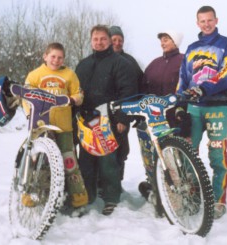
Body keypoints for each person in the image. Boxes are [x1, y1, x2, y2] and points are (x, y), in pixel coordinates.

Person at [176, 6, 227, 219]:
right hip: (194, 110)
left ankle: (217, 199)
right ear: (197, 23)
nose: (206, 24)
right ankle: (193, 196)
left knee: (217, 155)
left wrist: (204, 89)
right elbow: (184, 78)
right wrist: (179, 100)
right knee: (188, 154)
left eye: (209, 20)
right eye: (202, 21)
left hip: (217, 109)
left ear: (216, 20)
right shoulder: (192, 48)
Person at [75, 25, 137, 215]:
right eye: (96, 39)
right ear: (91, 40)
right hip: (86, 120)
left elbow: (128, 92)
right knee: (86, 160)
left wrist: (123, 119)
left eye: (103, 39)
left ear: (109, 40)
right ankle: (88, 196)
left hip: (109, 119)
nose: (99, 42)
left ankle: (111, 198)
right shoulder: (83, 64)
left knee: (108, 162)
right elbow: (76, 92)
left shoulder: (120, 63)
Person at [22, 42, 88, 212]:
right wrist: (30, 114)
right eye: (53, 56)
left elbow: (79, 93)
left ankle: (78, 196)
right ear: (45, 56)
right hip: (41, 126)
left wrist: (73, 99)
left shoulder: (69, 74)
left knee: (69, 161)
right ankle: (31, 193)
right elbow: (26, 97)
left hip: (64, 127)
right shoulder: (35, 75)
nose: (56, 60)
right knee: (38, 159)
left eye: (60, 57)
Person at [137, 30, 188, 203]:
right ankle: (158, 193)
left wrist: (183, 111)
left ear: (175, 41)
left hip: (175, 119)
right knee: (153, 157)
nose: (163, 42)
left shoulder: (184, 61)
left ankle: (183, 196)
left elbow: (188, 89)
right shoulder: (153, 64)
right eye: (161, 39)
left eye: (166, 39)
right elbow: (143, 90)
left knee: (177, 159)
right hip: (153, 120)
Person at [109, 25, 144, 181]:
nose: (117, 43)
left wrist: (136, 112)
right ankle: (101, 187)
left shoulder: (129, 61)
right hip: (102, 114)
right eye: (114, 39)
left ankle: (117, 184)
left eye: (120, 40)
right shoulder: (102, 60)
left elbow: (140, 85)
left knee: (121, 150)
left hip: (122, 114)